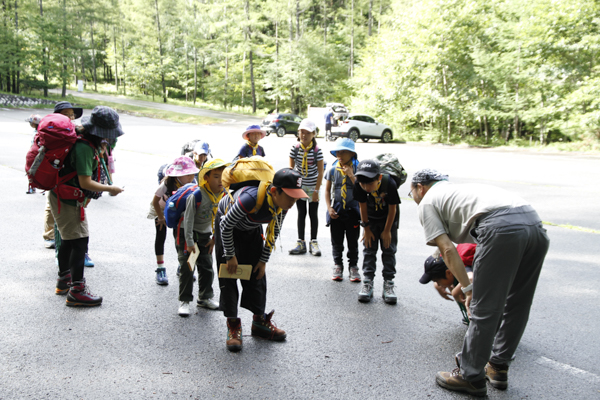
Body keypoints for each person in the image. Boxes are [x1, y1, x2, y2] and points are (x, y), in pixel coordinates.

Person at [409, 169, 550, 397]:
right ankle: (498, 367)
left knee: (484, 307)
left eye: (411, 193)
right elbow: (444, 246)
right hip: (534, 224)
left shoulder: (426, 202)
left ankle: (470, 376)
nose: (413, 197)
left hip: (501, 228)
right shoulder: (458, 191)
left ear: (420, 188)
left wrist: (468, 288)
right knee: (518, 303)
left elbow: (447, 249)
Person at [215, 168, 308, 352]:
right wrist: (231, 255)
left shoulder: (283, 205)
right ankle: (233, 326)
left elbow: (274, 230)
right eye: (290, 196)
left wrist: (263, 260)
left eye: (296, 197)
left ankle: (259, 323)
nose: (293, 201)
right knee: (229, 275)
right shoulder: (249, 199)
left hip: (251, 227)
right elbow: (225, 225)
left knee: (257, 274)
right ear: (275, 191)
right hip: (228, 227)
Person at [51, 106, 125, 307]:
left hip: (65, 196)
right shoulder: (84, 147)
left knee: (69, 239)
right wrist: (111, 188)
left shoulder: (87, 142)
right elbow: (85, 183)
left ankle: (63, 280)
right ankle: (77, 291)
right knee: (80, 242)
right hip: (66, 199)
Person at [176, 159, 230, 317]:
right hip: (188, 234)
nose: (220, 180)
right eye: (215, 176)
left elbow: (221, 218)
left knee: (206, 266)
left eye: (222, 176)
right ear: (205, 177)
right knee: (188, 267)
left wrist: (215, 238)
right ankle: (184, 300)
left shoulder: (223, 195)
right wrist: (190, 242)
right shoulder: (198, 195)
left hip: (206, 235)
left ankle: (205, 297)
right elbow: (188, 219)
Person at [353, 159, 400, 304]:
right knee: (369, 250)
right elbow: (362, 206)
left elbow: (393, 208)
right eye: (362, 183)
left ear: (378, 178)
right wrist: (366, 228)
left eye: (369, 183)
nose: (366, 187)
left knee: (388, 250)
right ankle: (367, 282)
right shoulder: (358, 184)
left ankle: (389, 283)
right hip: (370, 220)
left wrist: (387, 231)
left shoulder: (389, 183)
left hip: (388, 221)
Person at [149, 156, 197, 286]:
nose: (191, 177)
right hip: (160, 207)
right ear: (177, 175)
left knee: (180, 238)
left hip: (178, 209)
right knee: (160, 235)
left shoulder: (192, 183)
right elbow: (155, 201)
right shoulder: (166, 184)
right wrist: (160, 217)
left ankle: (182, 266)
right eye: (188, 174)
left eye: (193, 174)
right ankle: (160, 269)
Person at [324, 138, 361, 282]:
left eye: (344, 152)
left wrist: (351, 175)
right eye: (338, 152)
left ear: (352, 154)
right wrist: (329, 207)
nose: (340, 155)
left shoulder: (358, 169)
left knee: (353, 240)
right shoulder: (333, 169)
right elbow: (327, 191)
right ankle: (338, 265)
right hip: (337, 208)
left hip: (353, 210)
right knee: (336, 240)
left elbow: (362, 190)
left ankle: (353, 266)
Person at [288, 119, 324, 256]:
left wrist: (316, 190)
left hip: (313, 186)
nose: (304, 135)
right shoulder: (295, 148)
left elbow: (321, 172)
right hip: (300, 186)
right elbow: (291, 168)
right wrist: (291, 187)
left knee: (313, 214)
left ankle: (313, 242)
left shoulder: (317, 151)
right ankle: (300, 242)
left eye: (307, 133)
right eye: (301, 132)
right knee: (301, 213)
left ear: (313, 134)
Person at [419, 243, 477, 325]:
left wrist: (455, 293)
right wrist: (437, 284)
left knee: (464, 286)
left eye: (437, 281)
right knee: (452, 284)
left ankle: (474, 314)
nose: (438, 284)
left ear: (449, 273)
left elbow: (471, 278)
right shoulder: (448, 258)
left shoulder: (462, 263)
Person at [26, 114, 42, 195]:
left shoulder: (38, 132)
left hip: (35, 153)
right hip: (39, 152)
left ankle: (32, 186)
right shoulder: (40, 131)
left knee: (31, 169)